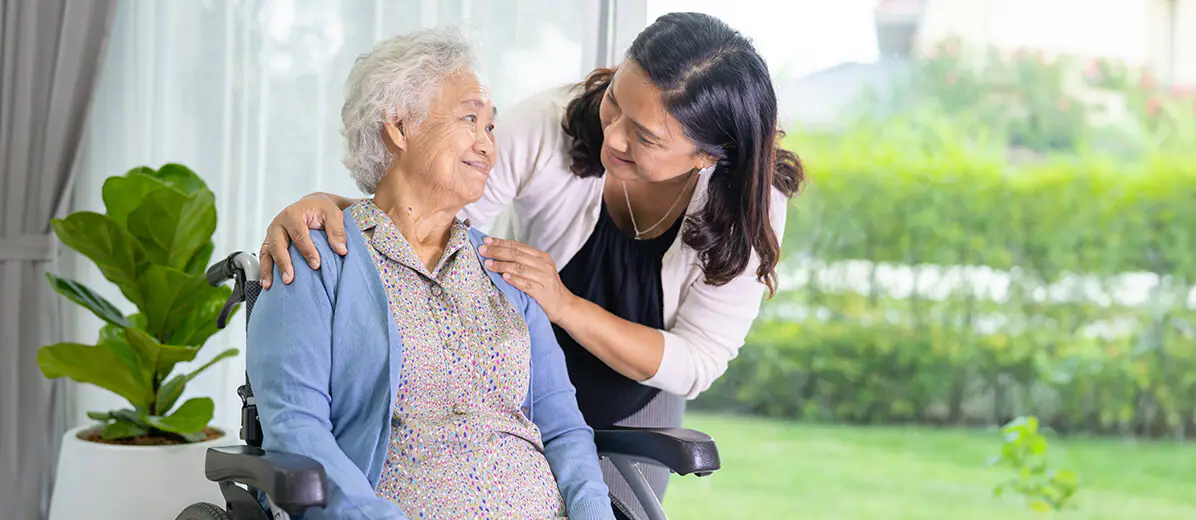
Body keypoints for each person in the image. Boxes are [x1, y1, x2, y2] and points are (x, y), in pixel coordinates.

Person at [256, 12, 805, 514]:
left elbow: (690, 363)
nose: (611, 135)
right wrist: (327, 209)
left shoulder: (746, 205)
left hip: (619, 393)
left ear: (708, 156)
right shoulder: (547, 131)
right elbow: (424, 201)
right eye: (615, 102)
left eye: (644, 136)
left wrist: (563, 305)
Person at [246, 26, 613, 520]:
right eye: (470, 119)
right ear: (399, 128)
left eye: (491, 128)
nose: (488, 146)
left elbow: (565, 428)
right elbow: (296, 430)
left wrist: (594, 512)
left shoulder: (506, 270)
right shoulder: (314, 260)